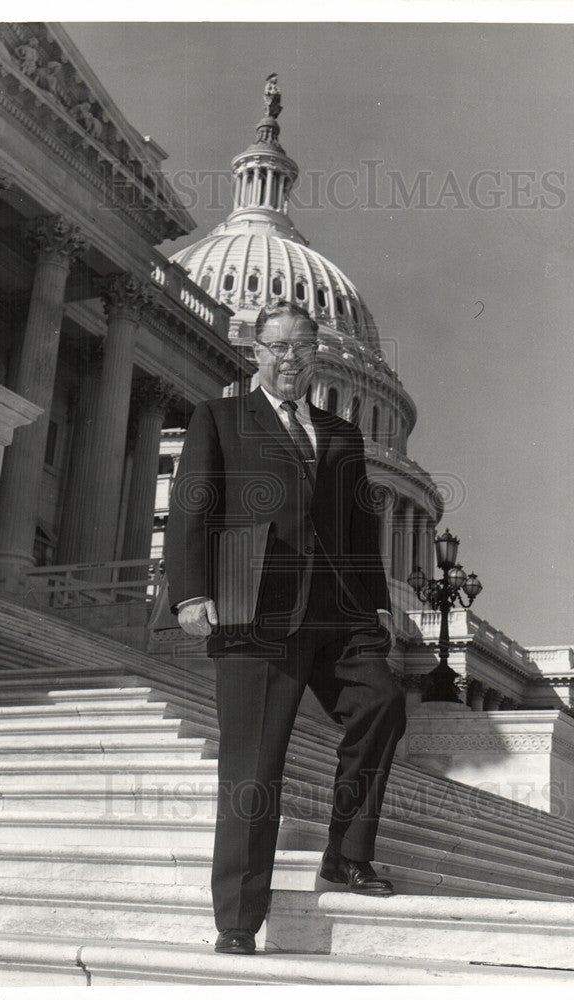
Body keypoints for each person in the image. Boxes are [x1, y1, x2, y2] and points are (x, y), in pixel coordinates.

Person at [164, 300, 406, 955]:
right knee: (253, 767)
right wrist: (189, 593)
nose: (291, 358)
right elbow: (192, 507)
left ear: (316, 355)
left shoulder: (342, 434)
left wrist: (377, 603)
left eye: (302, 347)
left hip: (339, 611)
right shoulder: (220, 418)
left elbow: (360, 527)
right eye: (277, 347)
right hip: (253, 605)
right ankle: (238, 922)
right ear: (255, 352)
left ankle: (346, 855)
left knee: (381, 703)